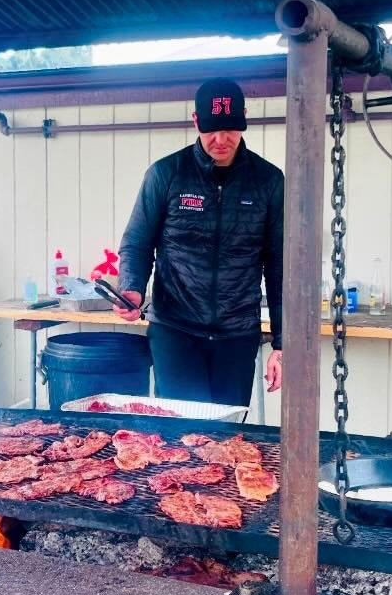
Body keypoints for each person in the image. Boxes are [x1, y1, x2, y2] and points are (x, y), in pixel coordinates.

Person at [114, 78, 284, 406]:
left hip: (237, 334)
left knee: (227, 437)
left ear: (244, 118)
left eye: (231, 129)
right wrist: (132, 285)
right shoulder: (166, 174)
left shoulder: (268, 182)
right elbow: (137, 241)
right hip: (175, 330)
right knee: (181, 434)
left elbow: (279, 266)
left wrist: (282, 343)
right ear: (195, 121)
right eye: (211, 130)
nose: (221, 140)